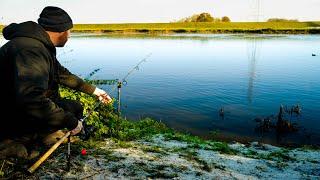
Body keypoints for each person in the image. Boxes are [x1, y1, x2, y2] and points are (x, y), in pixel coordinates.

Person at [0, 6, 112, 158]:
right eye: (68, 30)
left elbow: (62, 75)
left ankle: (46, 134)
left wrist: (95, 91)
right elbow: (31, 99)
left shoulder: (40, 45)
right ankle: (14, 142)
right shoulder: (30, 50)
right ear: (59, 30)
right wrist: (71, 121)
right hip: (11, 113)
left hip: (20, 109)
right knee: (22, 148)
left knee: (75, 107)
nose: (69, 35)